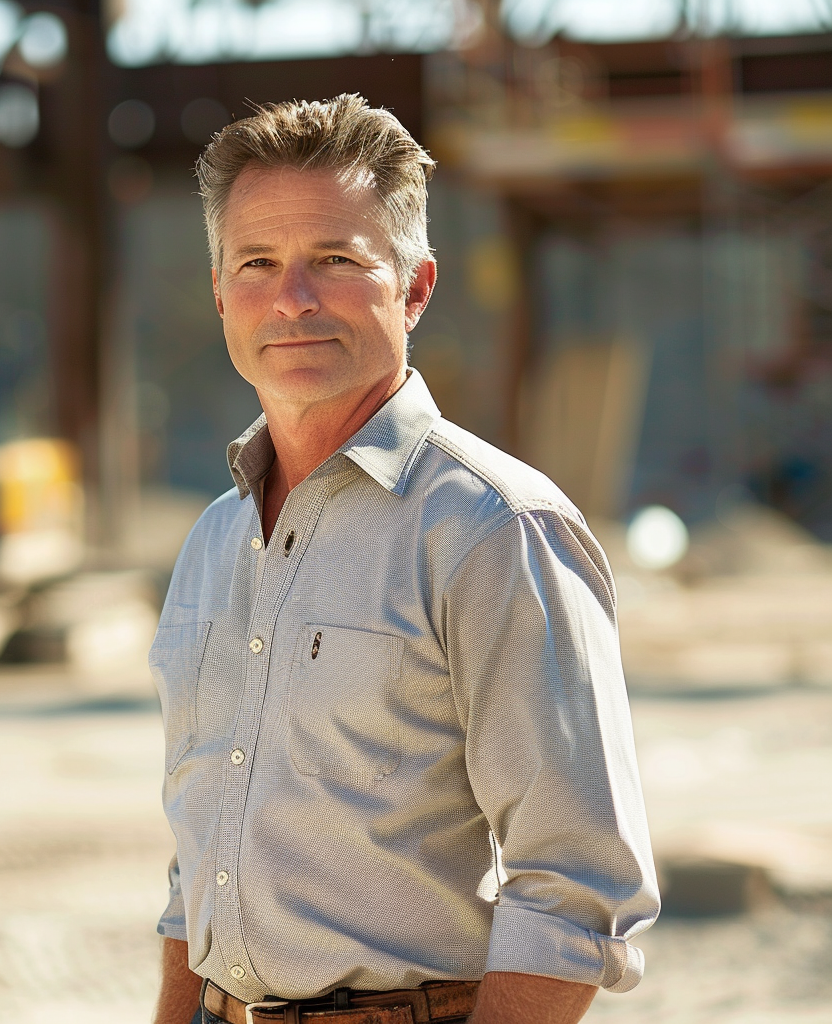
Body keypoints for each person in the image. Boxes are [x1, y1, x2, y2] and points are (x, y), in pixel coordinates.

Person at [149, 94, 659, 1024]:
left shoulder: (495, 530)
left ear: (416, 287)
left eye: (336, 261)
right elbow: (200, 857)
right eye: (257, 263)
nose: (291, 299)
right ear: (220, 291)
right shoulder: (213, 542)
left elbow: (580, 884)